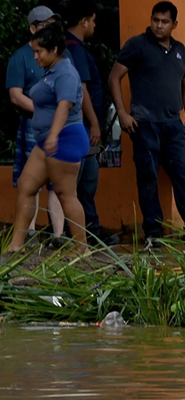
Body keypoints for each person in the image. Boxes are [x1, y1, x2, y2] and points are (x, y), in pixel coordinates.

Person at [108, 1, 185, 247]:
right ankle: (153, 234)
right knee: (148, 178)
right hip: (144, 125)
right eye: (155, 20)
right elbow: (114, 77)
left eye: (164, 22)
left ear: (174, 24)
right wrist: (122, 113)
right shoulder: (137, 45)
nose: (158, 25)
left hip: (174, 125)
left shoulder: (180, 50)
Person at [7, 22, 90, 255]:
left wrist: (53, 135)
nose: (35, 57)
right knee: (26, 185)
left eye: (39, 52)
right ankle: (16, 244)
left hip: (63, 140)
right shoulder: (51, 71)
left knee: (66, 194)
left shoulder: (66, 73)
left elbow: (66, 105)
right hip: (47, 142)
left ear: (54, 49)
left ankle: (82, 249)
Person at [6, 6, 68, 246]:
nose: (52, 28)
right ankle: (29, 233)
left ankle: (59, 235)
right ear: (33, 28)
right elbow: (15, 95)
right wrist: (44, 111)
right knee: (30, 180)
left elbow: (73, 90)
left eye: (54, 24)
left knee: (58, 181)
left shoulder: (63, 55)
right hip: (33, 125)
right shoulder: (20, 57)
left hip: (61, 125)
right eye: (46, 24)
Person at [65, 0, 121, 246]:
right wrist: (94, 124)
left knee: (87, 180)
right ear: (84, 21)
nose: (95, 26)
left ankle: (90, 229)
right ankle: (82, 232)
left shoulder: (75, 47)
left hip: (83, 124)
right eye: (94, 21)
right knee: (82, 181)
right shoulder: (75, 49)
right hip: (82, 126)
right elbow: (83, 90)